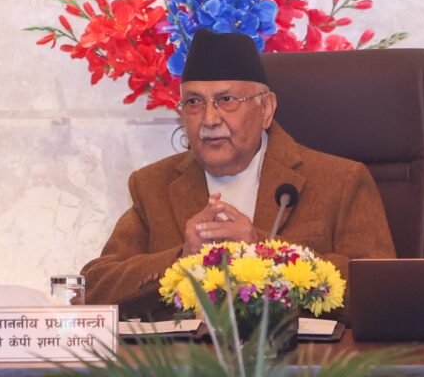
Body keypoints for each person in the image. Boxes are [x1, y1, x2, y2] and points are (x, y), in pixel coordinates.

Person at [81, 29, 396, 318]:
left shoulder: (340, 180)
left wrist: (263, 250)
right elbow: (94, 289)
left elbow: (382, 294)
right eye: (194, 102)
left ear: (266, 109)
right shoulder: (153, 186)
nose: (209, 119)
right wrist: (181, 258)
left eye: (226, 100)